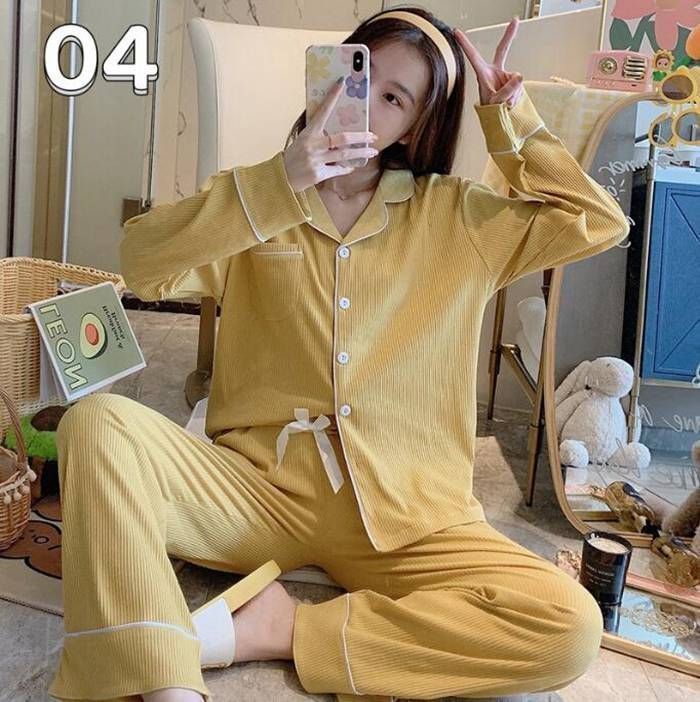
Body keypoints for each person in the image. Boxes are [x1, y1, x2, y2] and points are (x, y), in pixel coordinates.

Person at [48, 6, 630, 702]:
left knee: (567, 626)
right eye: (358, 73)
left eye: (395, 97)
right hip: (258, 492)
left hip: (408, 512)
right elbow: (142, 263)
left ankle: (284, 629)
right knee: (97, 425)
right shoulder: (258, 198)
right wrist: (278, 184)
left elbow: (598, 223)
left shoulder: (458, 217)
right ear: (326, 72)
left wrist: (509, 120)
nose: (363, 101)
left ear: (414, 127)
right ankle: (166, 684)